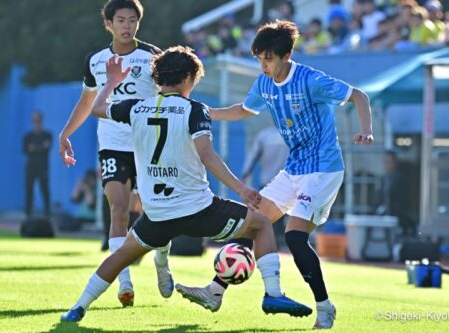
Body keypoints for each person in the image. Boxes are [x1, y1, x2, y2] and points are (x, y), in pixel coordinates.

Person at [60, 46, 312, 322]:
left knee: (118, 258)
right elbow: (207, 155)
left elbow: (96, 108)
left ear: (158, 79)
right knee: (261, 223)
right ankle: (273, 294)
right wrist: (241, 189)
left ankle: (77, 308)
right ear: (188, 79)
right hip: (198, 210)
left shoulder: (136, 108)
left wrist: (111, 81)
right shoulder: (195, 110)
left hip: (157, 214)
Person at [175, 20, 374, 330]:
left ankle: (325, 308)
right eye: (259, 58)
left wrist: (366, 130)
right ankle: (215, 292)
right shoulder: (265, 83)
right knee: (253, 225)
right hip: (293, 168)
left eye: (268, 58)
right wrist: (207, 112)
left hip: (322, 169)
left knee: (295, 237)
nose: (263, 64)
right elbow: (243, 110)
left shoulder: (311, 80)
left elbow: (359, 96)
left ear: (286, 56)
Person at [58, 0, 161, 307]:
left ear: (138, 24)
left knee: (155, 211)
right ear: (109, 24)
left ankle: (162, 262)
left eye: (132, 20)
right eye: (121, 20)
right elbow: (86, 102)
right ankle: (125, 282)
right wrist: (65, 134)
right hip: (113, 144)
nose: (127, 26)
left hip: (149, 144)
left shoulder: (153, 57)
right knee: (119, 209)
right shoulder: (96, 60)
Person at [376, 150, 415, 236]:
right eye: (385, 162)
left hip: (398, 216)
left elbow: (403, 200)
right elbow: (380, 197)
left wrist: (393, 209)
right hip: (384, 217)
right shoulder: (383, 179)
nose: (387, 165)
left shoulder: (401, 179)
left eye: (389, 162)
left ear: (395, 162)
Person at [23, 111, 52, 218]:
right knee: (29, 190)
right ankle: (28, 213)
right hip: (31, 167)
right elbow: (26, 150)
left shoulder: (47, 135)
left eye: (38, 119)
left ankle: (47, 214)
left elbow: (47, 148)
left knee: (44, 190)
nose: (36, 122)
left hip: (43, 167)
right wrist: (40, 147)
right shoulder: (28, 136)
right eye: (34, 120)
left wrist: (34, 148)